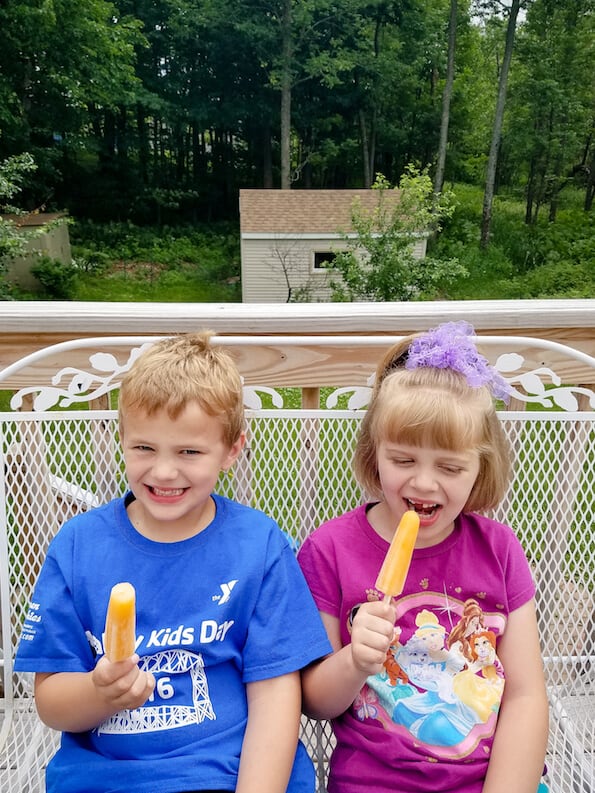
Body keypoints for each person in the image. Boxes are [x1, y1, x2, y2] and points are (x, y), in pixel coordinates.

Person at [15, 331, 332, 793]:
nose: (163, 472)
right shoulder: (78, 546)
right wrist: (99, 692)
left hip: (233, 774)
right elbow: (51, 703)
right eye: (144, 448)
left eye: (189, 452)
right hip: (108, 779)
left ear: (232, 450)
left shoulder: (258, 545)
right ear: (122, 438)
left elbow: (277, 698)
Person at [297, 321, 549, 793]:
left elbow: (527, 697)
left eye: (450, 467)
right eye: (404, 460)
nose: (425, 484)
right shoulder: (330, 550)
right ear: (375, 456)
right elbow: (313, 700)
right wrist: (354, 660)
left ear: (481, 469)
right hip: (375, 782)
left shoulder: (498, 551)